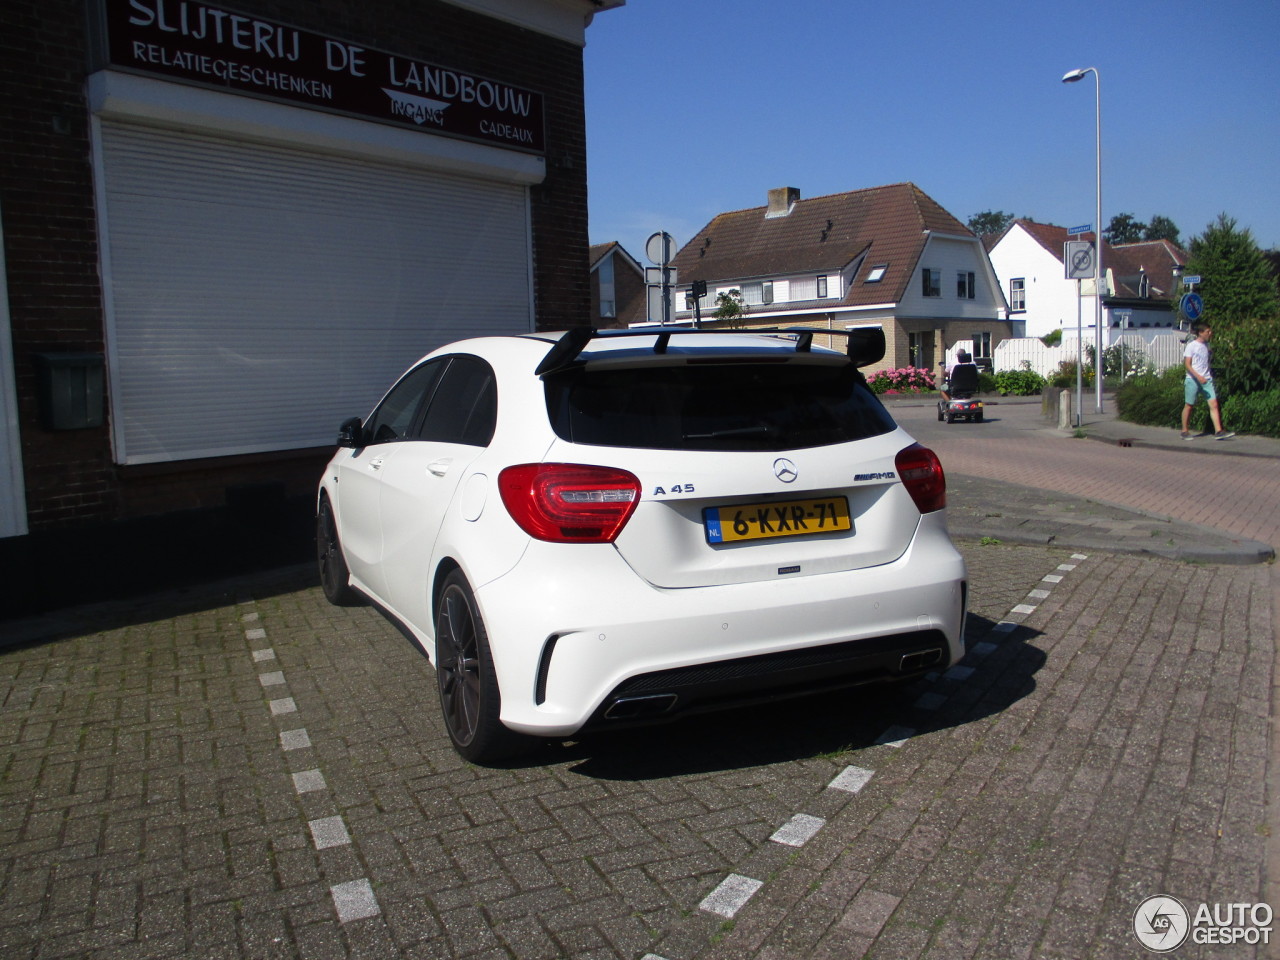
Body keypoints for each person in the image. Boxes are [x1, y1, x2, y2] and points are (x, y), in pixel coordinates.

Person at [1181, 322, 1233, 440]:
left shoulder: (1207, 345)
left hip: (1207, 379)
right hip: (1193, 379)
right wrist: (1198, 376)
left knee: (1214, 404)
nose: (1210, 333)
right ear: (1200, 333)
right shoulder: (1191, 346)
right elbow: (1187, 365)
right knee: (1189, 405)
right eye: (1207, 332)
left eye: (1210, 331)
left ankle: (1218, 431)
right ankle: (1184, 430)